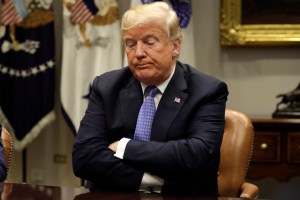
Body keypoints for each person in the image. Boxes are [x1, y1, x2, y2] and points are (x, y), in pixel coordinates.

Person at [72, 2, 228, 196]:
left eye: (149, 42)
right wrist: (153, 181)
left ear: (175, 45)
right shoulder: (107, 86)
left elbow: (196, 156)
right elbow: (84, 158)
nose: (138, 53)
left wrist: (123, 146)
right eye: (131, 44)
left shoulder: (207, 91)